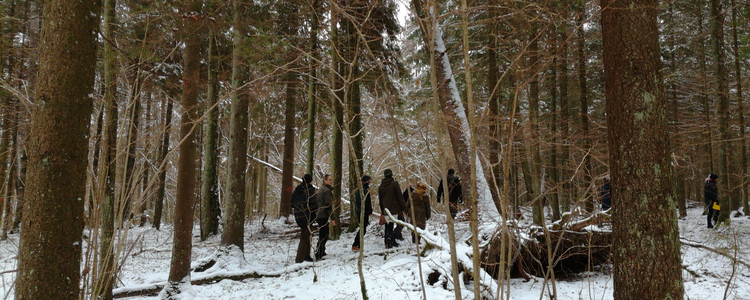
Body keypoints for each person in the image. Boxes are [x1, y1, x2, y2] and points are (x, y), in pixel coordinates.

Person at [291, 174, 317, 263]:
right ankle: (300, 259)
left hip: (298, 216)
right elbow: (314, 203)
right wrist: (314, 213)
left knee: (306, 234)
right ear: (310, 181)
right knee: (305, 236)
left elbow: (292, 203)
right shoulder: (310, 190)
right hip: (307, 215)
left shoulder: (297, 190)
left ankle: (306, 256)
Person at [378, 168, 407, 248]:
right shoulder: (394, 184)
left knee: (389, 227)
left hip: (386, 210)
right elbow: (400, 197)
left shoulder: (381, 187)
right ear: (391, 175)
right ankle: (392, 237)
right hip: (396, 209)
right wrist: (404, 208)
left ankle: (389, 243)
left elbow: (380, 200)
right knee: (401, 224)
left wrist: (382, 210)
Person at [315, 174, 336, 259]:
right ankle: (319, 253)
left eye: (331, 179)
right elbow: (328, 205)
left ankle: (321, 251)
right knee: (323, 234)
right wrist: (332, 218)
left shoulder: (321, 189)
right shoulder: (326, 191)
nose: (331, 181)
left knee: (323, 234)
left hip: (320, 214)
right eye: (329, 180)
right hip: (322, 215)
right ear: (325, 181)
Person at [352, 175, 373, 251]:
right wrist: (368, 210)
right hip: (362, 212)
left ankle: (358, 245)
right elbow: (364, 203)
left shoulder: (362, 190)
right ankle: (355, 244)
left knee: (363, 229)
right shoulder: (363, 190)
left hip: (363, 212)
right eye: (369, 181)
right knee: (362, 229)